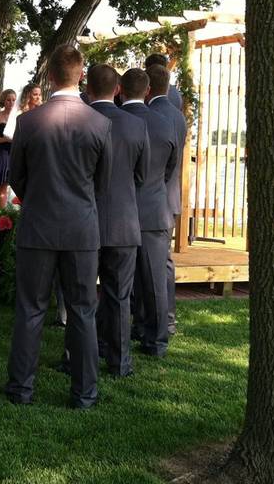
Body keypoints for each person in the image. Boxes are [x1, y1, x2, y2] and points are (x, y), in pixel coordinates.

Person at [4, 44, 111, 409]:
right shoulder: (100, 123)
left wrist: (39, 199)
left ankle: (21, 389)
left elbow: (17, 176)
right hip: (82, 227)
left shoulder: (29, 121)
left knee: (31, 308)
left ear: (49, 76)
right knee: (83, 309)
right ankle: (85, 394)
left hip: (39, 224)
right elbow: (103, 184)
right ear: (80, 75)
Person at [86, 64, 149, 377]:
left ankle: (77, 358)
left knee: (82, 297)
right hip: (125, 220)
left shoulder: (82, 121)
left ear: (88, 87)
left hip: (87, 222)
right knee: (120, 297)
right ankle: (120, 363)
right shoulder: (137, 126)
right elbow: (142, 176)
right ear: (117, 90)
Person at [119, 68, 177, 357]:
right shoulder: (165, 124)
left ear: (121, 89)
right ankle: (156, 341)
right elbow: (170, 168)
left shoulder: (116, 121)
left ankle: (120, 336)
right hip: (155, 208)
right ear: (148, 90)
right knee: (155, 281)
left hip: (122, 210)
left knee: (120, 282)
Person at [147, 63, 187, 337]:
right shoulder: (179, 115)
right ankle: (168, 319)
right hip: (170, 197)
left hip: (153, 197)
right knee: (165, 263)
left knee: (151, 266)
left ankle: (153, 322)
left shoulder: (151, 115)